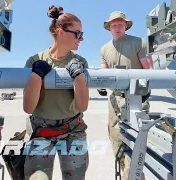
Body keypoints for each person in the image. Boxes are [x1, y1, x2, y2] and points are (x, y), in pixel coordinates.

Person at [22, 5, 89, 180]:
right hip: (41, 132)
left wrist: (79, 76)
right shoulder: (35, 61)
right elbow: (29, 107)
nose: (81, 39)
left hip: (73, 130)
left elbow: (83, 106)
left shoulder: (80, 62)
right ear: (61, 32)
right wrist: (36, 77)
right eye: (78, 33)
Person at [99, 11, 153, 180]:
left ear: (126, 26)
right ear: (109, 27)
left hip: (137, 94)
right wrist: (101, 83)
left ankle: (134, 174)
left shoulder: (139, 43)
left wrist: (144, 93)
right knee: (115, 134)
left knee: (136, 136)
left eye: (120, 24)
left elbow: (149, 70)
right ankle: (124, 171)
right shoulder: (104, 49)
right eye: (113, 25)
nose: (117, 27)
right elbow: (104, 70)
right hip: (115, 97)